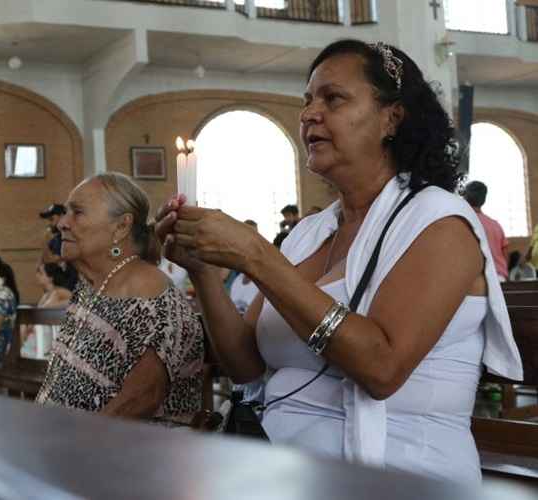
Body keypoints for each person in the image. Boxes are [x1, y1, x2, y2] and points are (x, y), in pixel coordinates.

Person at [156, 39, 521, 484]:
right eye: (307, 100)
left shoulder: (441, 224)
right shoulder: (312, 233)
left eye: (333, 98)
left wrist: (256, 256)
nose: (309, 113)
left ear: (392, 117)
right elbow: (246, 366)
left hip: (400, 478)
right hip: (278, 469)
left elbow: (381, 369)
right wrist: (204, 272)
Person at [36, 173, 204, 422]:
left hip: (126, 454)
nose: (62, 223)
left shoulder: (152, 302)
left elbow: (137, 403)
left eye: (77, 212)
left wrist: (61, 447)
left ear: (121, 227)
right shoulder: (91, 287)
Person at [462, 181, 509, 281]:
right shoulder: (496, 225)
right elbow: (505, 252)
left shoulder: (463, 223)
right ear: (484, 200)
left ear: (465, 198)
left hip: (476, 279)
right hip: (499, 277)